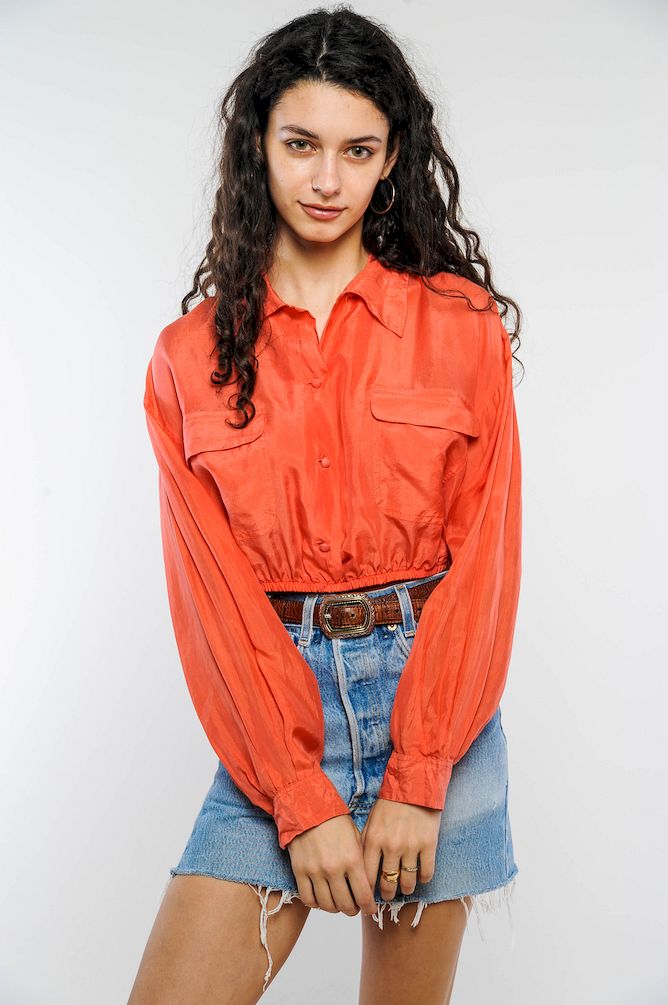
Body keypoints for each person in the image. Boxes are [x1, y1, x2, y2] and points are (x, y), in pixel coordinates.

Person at [128, 6, 524, 1004]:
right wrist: (296, 794)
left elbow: (484, 559)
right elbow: (212, 598)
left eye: (357, 150)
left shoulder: (460, 327)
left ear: (391, 160)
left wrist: (421, 772)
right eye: (300, 144)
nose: (325, 179)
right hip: (272, 716)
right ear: (257, 145)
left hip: (438, 705)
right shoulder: (189, 357)